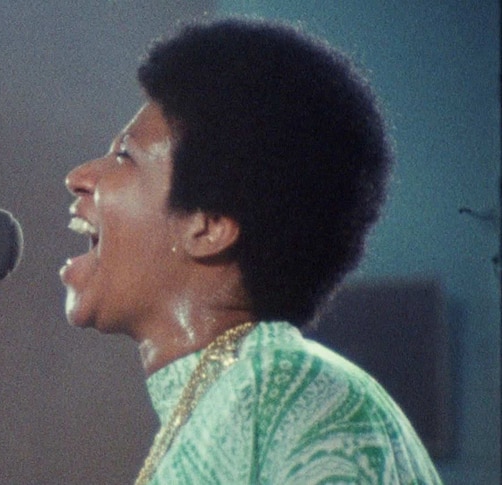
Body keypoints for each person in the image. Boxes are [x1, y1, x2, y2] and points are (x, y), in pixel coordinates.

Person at [58, 17, 442, 484]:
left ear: (209, 226)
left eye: (126, 157)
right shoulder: (242, 398)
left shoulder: (294, 400)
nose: (79, 176)